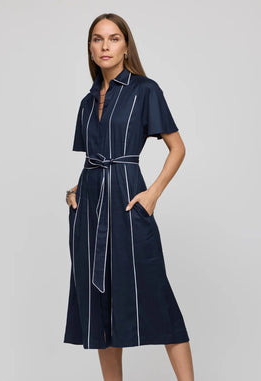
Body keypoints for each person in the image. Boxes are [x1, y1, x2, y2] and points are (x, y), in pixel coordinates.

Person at [64, 13, 195, 381]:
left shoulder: (145, 90)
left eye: (114, 38)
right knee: (100, 307)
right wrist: (76, 191)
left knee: (160, 300)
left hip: (126, 202)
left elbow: (177, 148)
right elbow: (92, 156)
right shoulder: (88, 102)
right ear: (90, 49)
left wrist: (152, 194)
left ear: (126, 46)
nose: (105, 46)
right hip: (89, 212)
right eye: (97, 39)